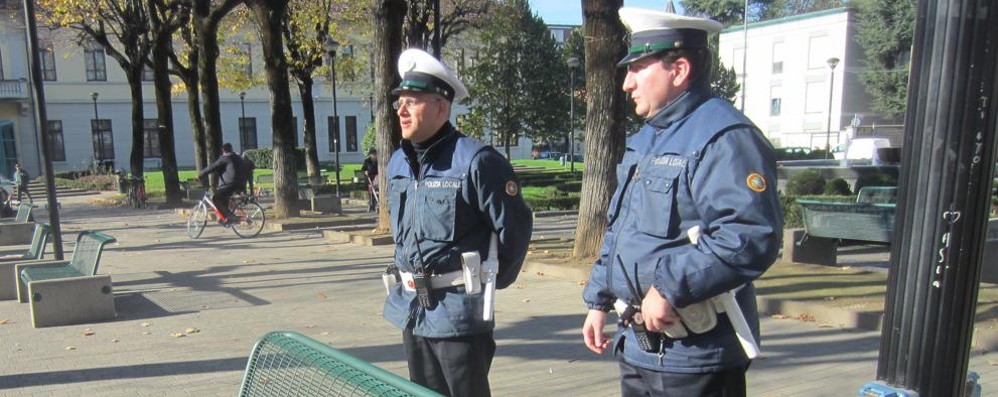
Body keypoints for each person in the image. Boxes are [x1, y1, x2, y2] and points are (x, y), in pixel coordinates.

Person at [581, 8, 782, 397]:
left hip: (695, 357)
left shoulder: (724, 138)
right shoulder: (649, 140)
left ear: (679, 69)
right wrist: (599, 299)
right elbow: (622, 229)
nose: (627, 83)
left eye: (638, 68)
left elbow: (750, 235)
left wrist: (670, 286)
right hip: (640, 347)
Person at [382, 48, 533, 396]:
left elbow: (515, 230)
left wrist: (485, 284)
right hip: (413, 310)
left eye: (413, 101)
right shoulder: (398, 163)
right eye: (399, 103)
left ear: (441, 107)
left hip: (458, 318)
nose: (402, 111)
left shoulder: (477, 162)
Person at [198, 143, 247, 225]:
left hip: (231, 183)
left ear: (223, 150)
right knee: (224, 200)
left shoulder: (225, 158)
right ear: (231, 149)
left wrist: (200, 175)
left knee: (215, 198)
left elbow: (212, 167)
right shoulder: (238, 158)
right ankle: (225, 220)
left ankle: (230, 216)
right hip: (241, 182)